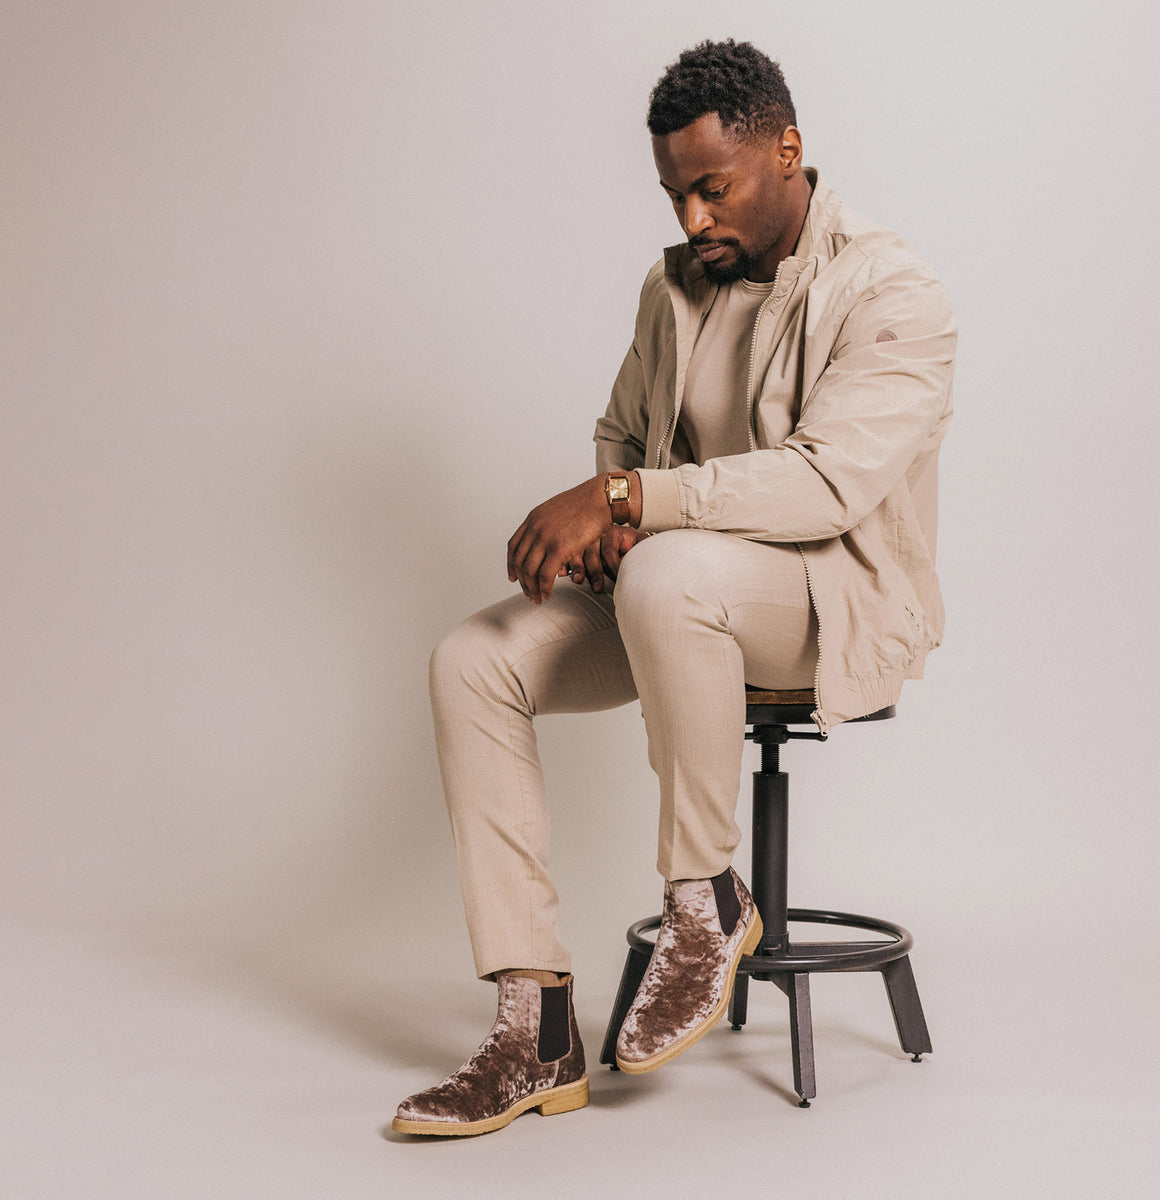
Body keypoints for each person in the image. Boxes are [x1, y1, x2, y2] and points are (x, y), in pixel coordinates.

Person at [392, 38, 956, 1137]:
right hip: (673, 588)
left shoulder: (895, 290)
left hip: (829, 604)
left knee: (671, 569)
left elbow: (827, 485)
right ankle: (531, 1025)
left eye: (715, 188)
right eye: (676, 194)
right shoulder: (676, 285)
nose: (695, 219)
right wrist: (619, 502)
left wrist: (631, 505)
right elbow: (622, 430)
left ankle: (705, 902)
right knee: (474, 659)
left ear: (786, 150)